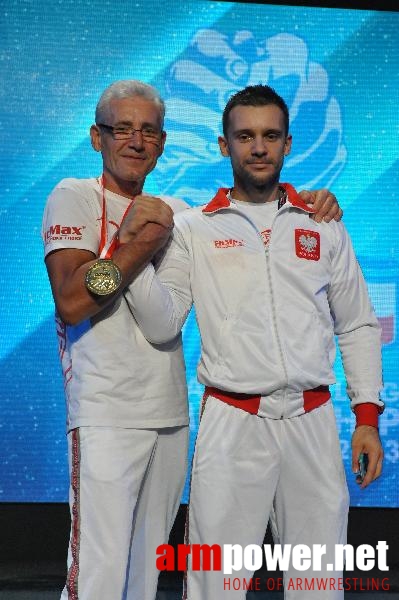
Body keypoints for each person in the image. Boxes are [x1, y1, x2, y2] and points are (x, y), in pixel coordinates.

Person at [42, 79, 343, 600]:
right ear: (97, 138)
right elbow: (73, 300)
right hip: (105, 414)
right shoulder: (74, 196)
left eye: (149, 131)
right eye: (122, 129)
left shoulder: (181, 213)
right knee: (97, 571)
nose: (135, 141)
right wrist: (135, 244)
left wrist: (314, 202)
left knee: (144, 576)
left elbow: (236, 245)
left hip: (171, 417)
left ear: (162, 142)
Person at [125, 84, 384, 599]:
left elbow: (357, 324)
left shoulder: (324, 224)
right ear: (224, 145)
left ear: (288, 144)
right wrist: (129, 253)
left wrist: (368, 419)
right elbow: (162, 324)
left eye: (270, 136)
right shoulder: (193, 229)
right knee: (214, 585)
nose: (258, 147)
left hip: (311, 422)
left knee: (319, 584)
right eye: (245, 136)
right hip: (232, 423)